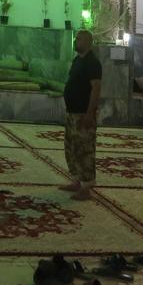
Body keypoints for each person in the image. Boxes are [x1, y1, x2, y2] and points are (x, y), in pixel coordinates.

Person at [58, 29, 102, 200]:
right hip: (72, 113)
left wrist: (90, 113)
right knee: (72, 148)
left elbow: (96, 88)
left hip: (84, 114)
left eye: (80, 39)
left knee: (85, 150)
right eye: (76, 38)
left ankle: (86, 187)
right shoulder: (77, 60)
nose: (76, 41)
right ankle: (76, 180)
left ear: (89, 42)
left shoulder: (93, 63)